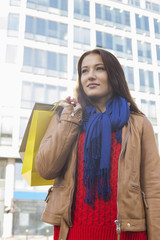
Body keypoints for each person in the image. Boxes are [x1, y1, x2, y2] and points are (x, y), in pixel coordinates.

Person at [35, 49, 160, 240]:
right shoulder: (67, 117)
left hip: (127, 233)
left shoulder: (139, 123)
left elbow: (153, 188)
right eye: (84, 71)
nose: (90, 75)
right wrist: (70, 119)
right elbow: (45, 169)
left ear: (114, 75)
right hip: (74, 232)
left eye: (99, 68)